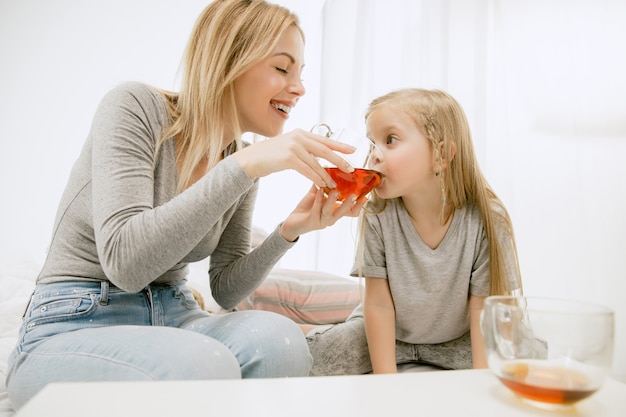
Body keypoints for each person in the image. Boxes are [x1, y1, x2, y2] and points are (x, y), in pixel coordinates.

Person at [6, 0, 366, 409]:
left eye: (300, 74)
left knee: (281, 343)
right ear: (229, 60)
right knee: (204, 364)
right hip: (75, 320)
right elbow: (126, 264)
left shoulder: (239, 159)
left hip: (174, 315)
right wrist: (242, 167)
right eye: (282, 68)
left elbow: (224, 288)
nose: (299, 88)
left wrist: (290, 231)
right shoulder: (135, 107)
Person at [306, 88, 522, 375]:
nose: (373, 157)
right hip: (390, 335)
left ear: (441, 155)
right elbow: (379, 306)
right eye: (372, 143)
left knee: (528, 351)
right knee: (318, 355)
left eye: (390, 140)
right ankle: (306, 327)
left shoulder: (487, 220)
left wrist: (479, 382)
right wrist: (388, 380)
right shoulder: (377, 214)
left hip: (456, 340)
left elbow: (483, 310)